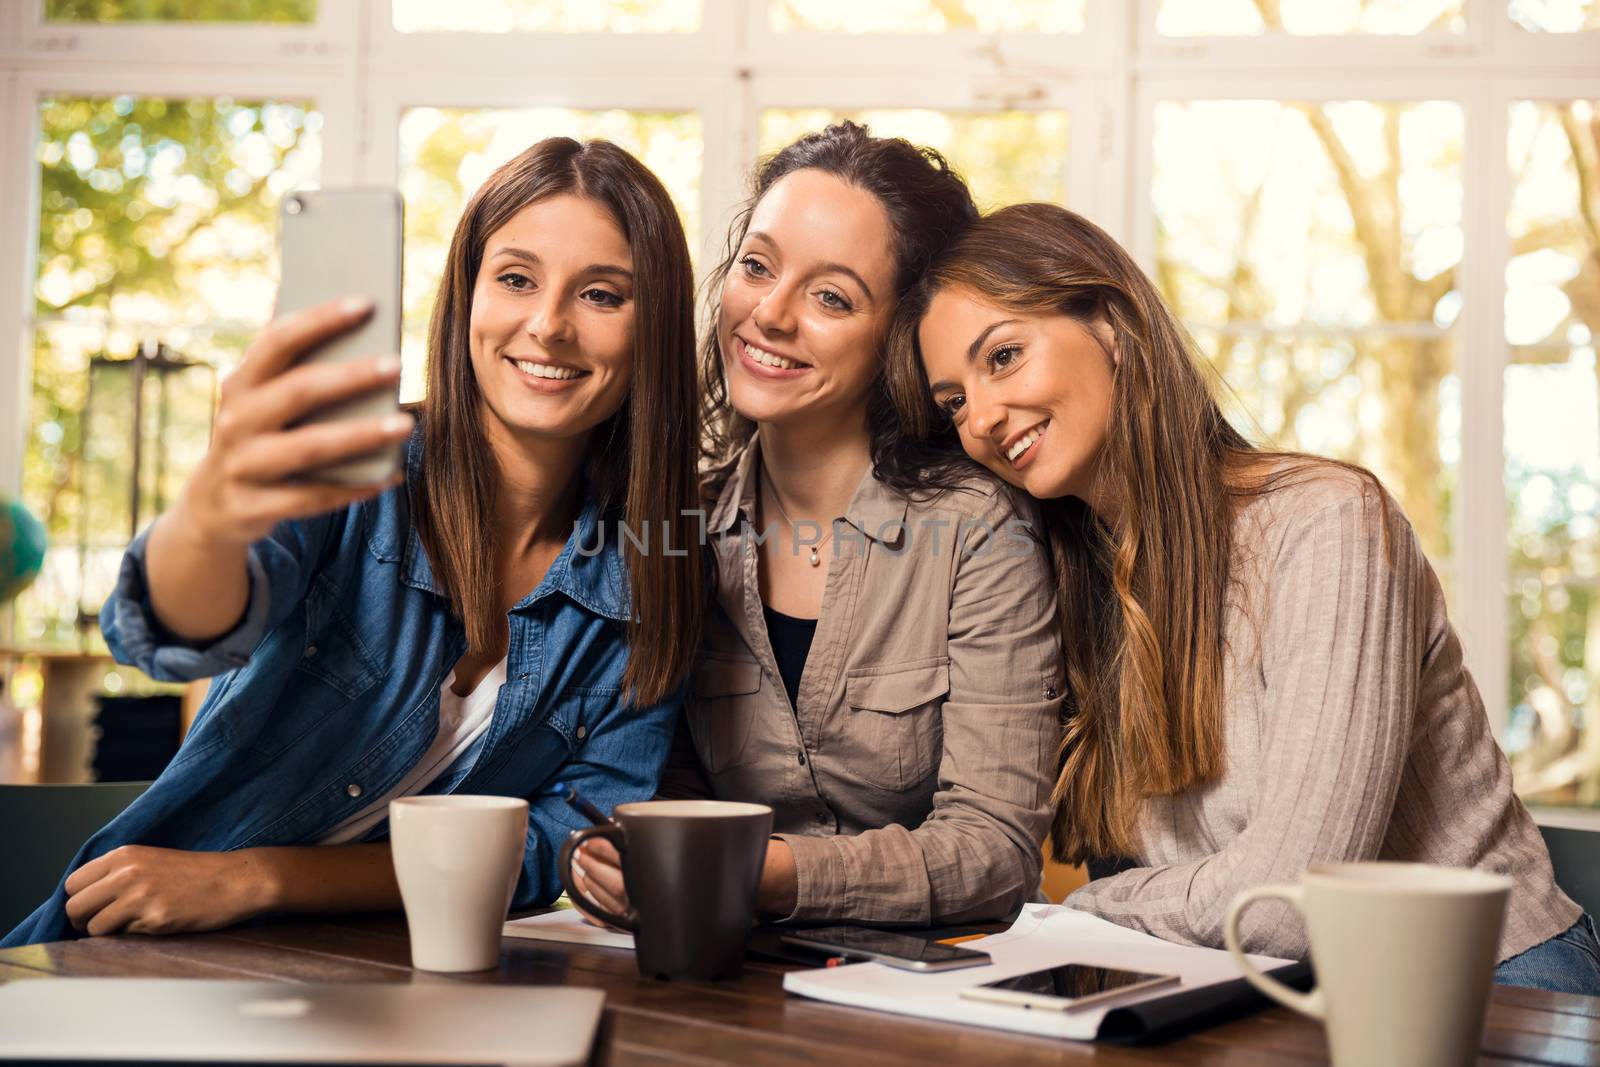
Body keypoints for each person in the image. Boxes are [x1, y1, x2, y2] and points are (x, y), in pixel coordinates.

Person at [2, 136, 704, 947]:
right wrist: (212, 514)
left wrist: (260, 878)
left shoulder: (656, 565)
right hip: (150, 947)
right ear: (466, 296)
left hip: (400, 973)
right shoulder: (353, 470)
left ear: (653, 326)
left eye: (602, 295)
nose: (547, 326)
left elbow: (558, 847)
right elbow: (182, 632)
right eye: (515, 279)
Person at [890, 200, 1600, 995]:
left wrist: (1086, 908)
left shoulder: (1328, 524)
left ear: (1112, 325)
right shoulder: (1068, 580)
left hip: (1482, 984)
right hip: (1245, 985)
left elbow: (1293, 900)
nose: (982, 417)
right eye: (953, 401)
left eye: (1005, 356)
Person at [573, 123, 1062, 927]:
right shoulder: (676, 526)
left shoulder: (979, 531)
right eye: (757, 266)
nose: (769, 313)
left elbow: (995, 847)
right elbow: (654, 786)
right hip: (726, 973)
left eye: (831, 296)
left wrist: (759, 873)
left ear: (900, 336)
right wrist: (608, 863)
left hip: (940, 993)